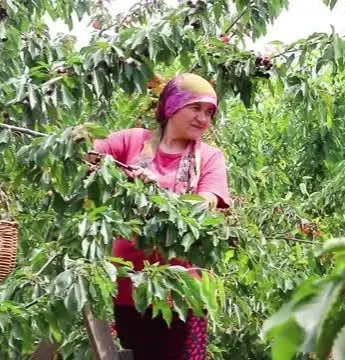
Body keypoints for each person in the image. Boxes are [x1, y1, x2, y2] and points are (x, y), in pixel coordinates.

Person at [92, 73, 232, 360]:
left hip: (184, 293)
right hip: (131, 289)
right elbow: (84, 153)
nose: (203, 119)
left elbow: (206, 204)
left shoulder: (209, 157)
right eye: (195, 108)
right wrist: (115, 174)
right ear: (171, 106)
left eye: (209, 112)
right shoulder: (131, 141)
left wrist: (159, 193)